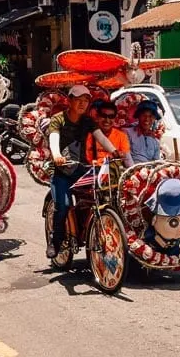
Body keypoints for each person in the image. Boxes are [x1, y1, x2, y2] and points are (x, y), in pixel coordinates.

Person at [46, 85, 120, 259]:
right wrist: (56, 155)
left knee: (103, 194)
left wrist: (114, 151)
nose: (82, 104)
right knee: (62, 206)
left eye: (86, 100)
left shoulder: (87, 121)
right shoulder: (58, 119)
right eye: (79, 100)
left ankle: (91, 228)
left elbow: (100, 136)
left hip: (81, 169)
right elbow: (53, 138)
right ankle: (55, 241)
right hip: (61, 172)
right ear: (69, 100)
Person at [85, 100, 133, 166]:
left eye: (111, 116)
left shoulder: (121, 136)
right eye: (104, 116)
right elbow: (86, 160)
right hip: (92, 171)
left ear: (115, 118)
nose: (107, 120)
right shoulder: (88, 134)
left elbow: (128, 162)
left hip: (114, 172)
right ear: (98, 117)